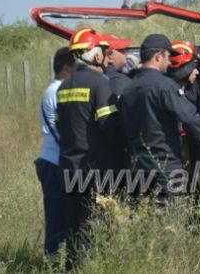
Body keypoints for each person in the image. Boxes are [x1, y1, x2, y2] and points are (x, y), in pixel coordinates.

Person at [121, 34, 200, 202]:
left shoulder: (128, 87)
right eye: (167, 57)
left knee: (145, 216)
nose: (169, 62)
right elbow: (189, 117)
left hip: (137, 167)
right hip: (165, 166)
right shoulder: (164, 86)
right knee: (171, 219)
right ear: (158, 56)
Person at [56, 27, 126, 264]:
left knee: (74, 229)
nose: (106, 56)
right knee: (99, 227)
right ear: (96, 56)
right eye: (103, 51)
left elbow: (60, 127)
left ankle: (72, 267)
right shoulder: (100, 84)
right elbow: (109, 125)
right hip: (95, 169)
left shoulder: (63, 87)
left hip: (67, 167)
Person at [35, 47, 75, 259]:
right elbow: (61, 132)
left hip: (56, 161)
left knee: (63, 216)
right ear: (67, 68)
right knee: (56, 217)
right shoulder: (56, 92)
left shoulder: (57, 89)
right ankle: (50, 263)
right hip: (54, 163)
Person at [102, 33, 133, 98]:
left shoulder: (97, 76)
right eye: (121, 50)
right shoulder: (117, 81)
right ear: (110, 57)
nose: (125, 53)